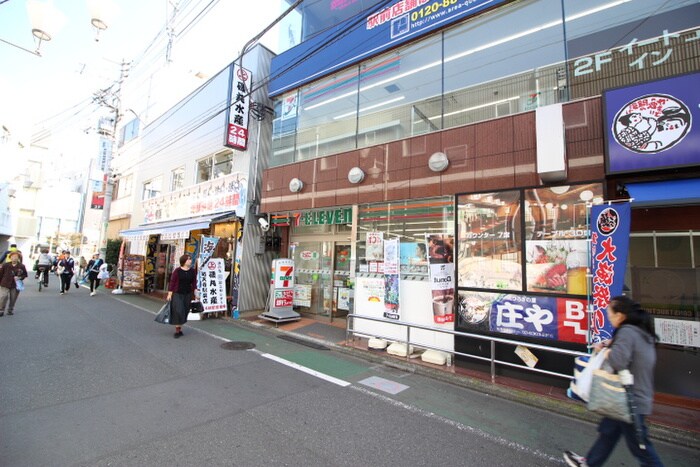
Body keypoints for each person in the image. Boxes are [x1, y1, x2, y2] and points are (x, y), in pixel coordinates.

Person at [563, 296, 663, 467]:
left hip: (629, 401)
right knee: (608, 433)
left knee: (641, 448)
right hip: (627, 397)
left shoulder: (626, 332)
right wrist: (610, 344)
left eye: (610, 314)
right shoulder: (640, 332)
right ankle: (590, 463)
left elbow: (618, 361)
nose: (609, 317)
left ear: (621, 315)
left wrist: (606, 350)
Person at [166, 254, 198, 338]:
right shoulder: (177, 271)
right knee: (179, 310)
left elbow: (194, 282)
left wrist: (195, 291)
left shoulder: (192, 271)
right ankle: (177, 330)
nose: (190, 261)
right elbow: (172, 282)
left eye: (190, 259)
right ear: (183, 261)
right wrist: (170, 293)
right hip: (177, 293)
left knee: (185, 310)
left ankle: (179, 328)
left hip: (187, 293)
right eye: (188, 259)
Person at [0, 251, 28, 316]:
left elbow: (25, 275)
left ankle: (10, 309)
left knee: (13, 298)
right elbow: (1, 274)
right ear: (10, 257)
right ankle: (1, 309)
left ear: (18, 258)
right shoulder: (5, 265)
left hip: (15, 285)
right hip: (5, 283)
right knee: (3, 297)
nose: (14, 258)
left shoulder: (21, 266)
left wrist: (20, 278)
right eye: (12, 257)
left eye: (16, 257)